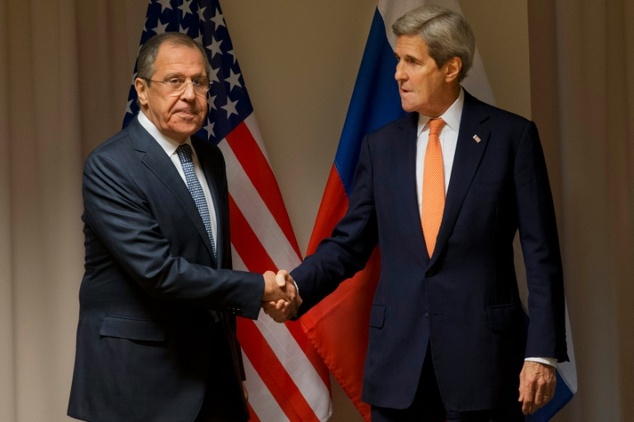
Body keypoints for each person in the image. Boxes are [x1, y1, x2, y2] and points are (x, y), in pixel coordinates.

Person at [265, 5, 568, 421]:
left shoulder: (511, 138)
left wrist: (542, 353)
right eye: (397, 61)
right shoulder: (381, 146)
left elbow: (542, 255)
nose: (398, 74)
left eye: (411, 61)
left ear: (451, 67)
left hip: (485, 366)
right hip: (398, 368)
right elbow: (349, 244)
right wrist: (297, 287)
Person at [68, 32, 293, 422]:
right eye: (174, 81)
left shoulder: (210, 158)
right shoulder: (111, 166)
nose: (190, 94)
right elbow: (158, 272)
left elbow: (213, 264)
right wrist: (260, 288)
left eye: (200, 82)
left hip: (212, 376)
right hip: (139, 383)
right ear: (141, 89)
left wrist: (232, 367)